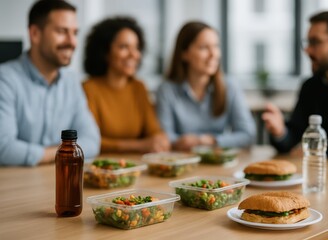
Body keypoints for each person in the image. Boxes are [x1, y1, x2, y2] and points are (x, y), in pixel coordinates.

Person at [0, 0, 100, 166]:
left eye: (75, 33)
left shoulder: (71, 81)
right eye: (62, 31)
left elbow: (92, 142)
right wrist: (65, 152)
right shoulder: (5, 79)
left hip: (55, 180)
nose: (72, 42)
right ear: (35, 34)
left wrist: (41, 154)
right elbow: (4, 148)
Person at [262, 10, 328, 159]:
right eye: (307, 42)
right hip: (315, 175)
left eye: (315, 42)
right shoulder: (311, 86)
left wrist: (320, 149)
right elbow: (295, 140)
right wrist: (280, 132)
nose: (307, 50)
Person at [156, 21, 256, 151]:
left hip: (220, 163)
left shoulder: (230, 86)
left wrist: (209, 141)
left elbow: (248, 135)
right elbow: (163, 137)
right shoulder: (167, 90)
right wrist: (182, 142)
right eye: (204, 47)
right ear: (184, 53)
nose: (213, 54)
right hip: (183, 163)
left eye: (216, 46)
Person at [82, 17, 170, 154]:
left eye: (136, 47)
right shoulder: (88, 89)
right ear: (105, 52)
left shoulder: (138, 87)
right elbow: (91, 141)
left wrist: (160, 138)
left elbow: (153, 130)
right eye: (124, 47)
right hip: (101, 168)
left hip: (136, 168)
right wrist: (139, 146)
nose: (134, 54)